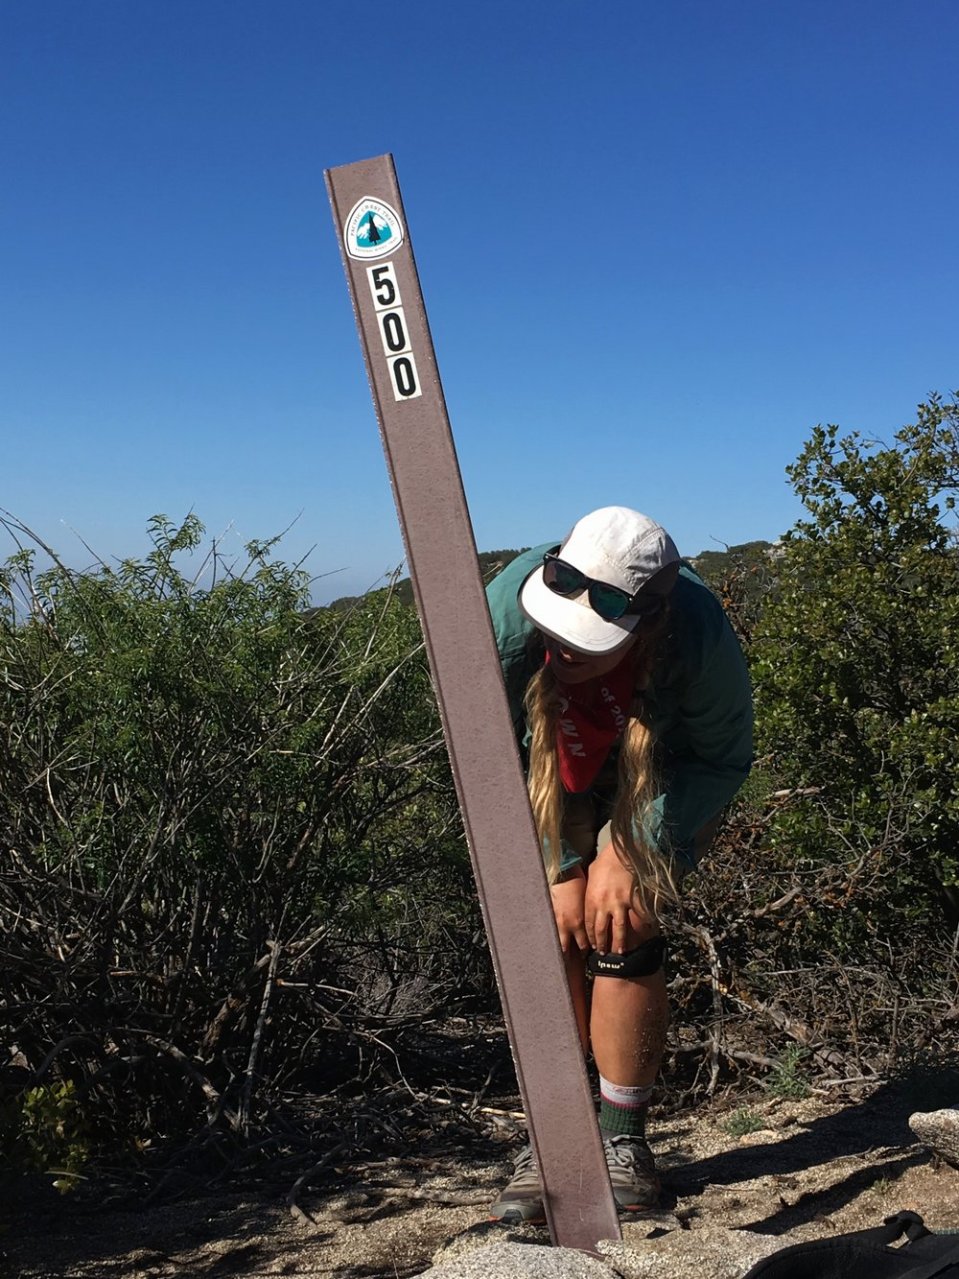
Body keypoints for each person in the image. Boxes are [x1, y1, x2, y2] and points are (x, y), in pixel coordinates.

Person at [484, 506, 753, 1224]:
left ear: (649, 621)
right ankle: (554, 1134)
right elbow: (483, 752)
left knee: (622, 916)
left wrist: (633, 845)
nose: (562, 645)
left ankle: (621, 1142)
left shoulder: (694, 634)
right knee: (551, 921)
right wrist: (556, 862)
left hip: (654, 770)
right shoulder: (505, 618)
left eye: (588, 638)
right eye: (556, 627)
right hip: (539, 773)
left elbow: (719, 756)